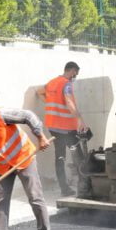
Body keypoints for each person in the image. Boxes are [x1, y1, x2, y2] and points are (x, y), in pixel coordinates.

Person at [39, 62, 87, 196]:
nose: (75, 76)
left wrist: (51, 103)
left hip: (53, 127)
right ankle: (85, 187)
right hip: (67, 128)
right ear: (71, 70)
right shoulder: (66, 84)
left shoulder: (52, 82)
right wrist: (80, 120)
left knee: (60, 157)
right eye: (75, 73)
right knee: (78, 156)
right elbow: (69, 102)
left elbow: (40, 92)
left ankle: (64, 189)